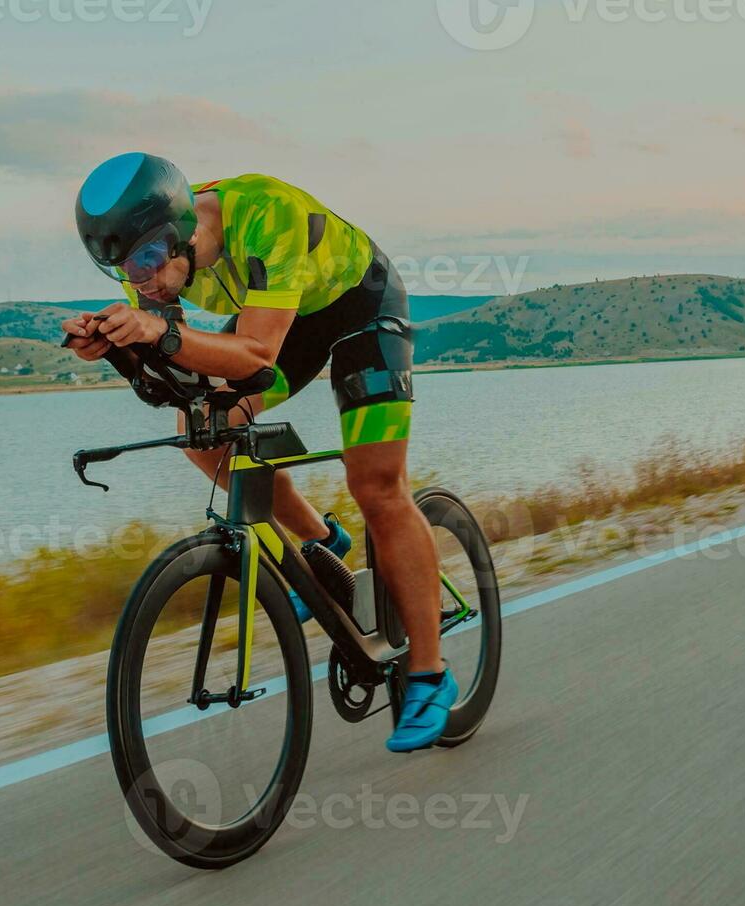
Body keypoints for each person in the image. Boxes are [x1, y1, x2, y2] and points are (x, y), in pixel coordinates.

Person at [60, 152, 452, 752]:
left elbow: (256, 358)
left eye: (145, 261)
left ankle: (429, 674)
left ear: (182, 230)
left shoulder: (268, 214)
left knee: (375, 485)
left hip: (358, 310)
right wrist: (113, 347)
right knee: (203, 430)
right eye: (118, 266)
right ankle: (324, 542)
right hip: (277, 319)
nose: (137, 281)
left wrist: (155, 331)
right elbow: (173, 364)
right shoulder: (142, 254)